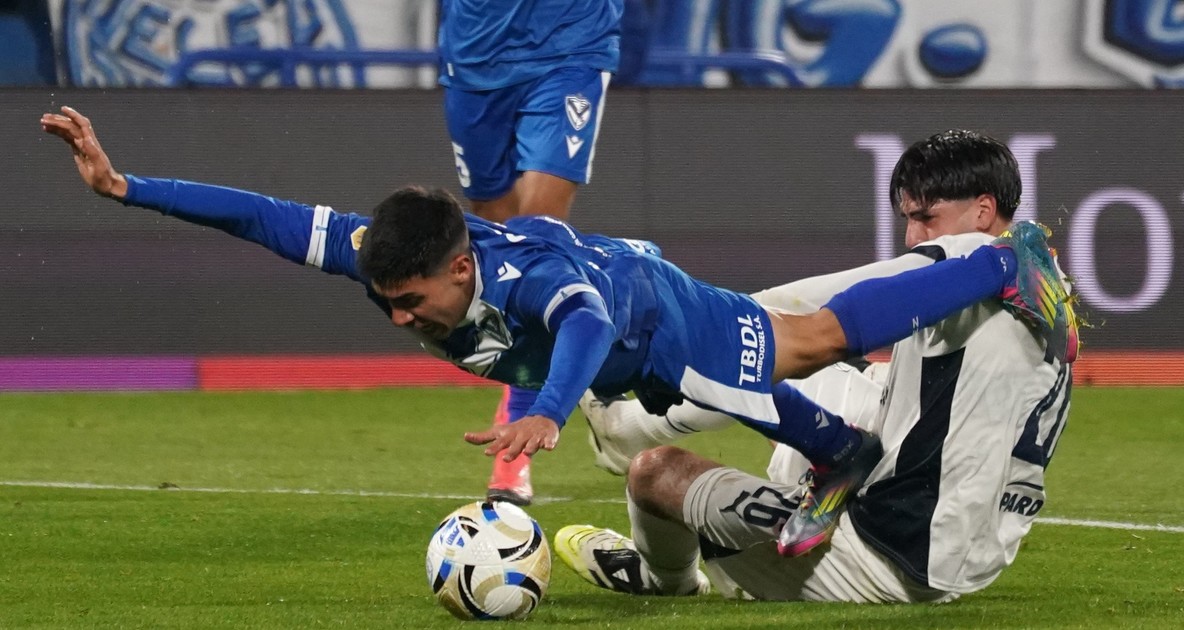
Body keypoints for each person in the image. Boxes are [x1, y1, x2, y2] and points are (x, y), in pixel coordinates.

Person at [41, 109, 1077, 558]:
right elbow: (264, 216)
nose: (400, 320)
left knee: (810, 342)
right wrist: (129, 187)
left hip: (645, 309)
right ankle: (836, 448)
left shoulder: (523, 281)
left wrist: (540, 409)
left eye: (412, 303)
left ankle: (1000, 265)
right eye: (386, 302)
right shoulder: (390, 249)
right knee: (696, 404)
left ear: (459, 270)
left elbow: (580, 324)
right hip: (618, 341)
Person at [555, 130, 1078, 602]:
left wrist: (702, 326)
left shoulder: (973, 254)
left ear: (983, 211)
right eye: (908, 219)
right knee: (810, 377)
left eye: (926, 217)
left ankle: (666, 576)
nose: (913, 236)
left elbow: (817, 307)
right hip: (973, 540)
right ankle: (638, 434)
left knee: (655, 473)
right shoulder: (1045, 287)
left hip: (888, 553)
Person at [438, 0, 623, 505]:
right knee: (496, 243)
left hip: (570, 43)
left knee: (537, 237)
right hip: (476, 53)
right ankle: (598, 353)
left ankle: (515, 447)